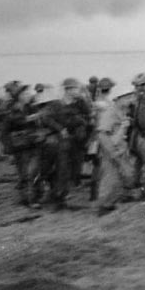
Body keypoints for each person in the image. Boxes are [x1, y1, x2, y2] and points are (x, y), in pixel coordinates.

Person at [41, 78, 91, 210]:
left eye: (77, 88)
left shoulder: (80, 103)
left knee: (74, 170)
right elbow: (45, 118)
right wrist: (60, 129)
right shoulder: (57, 104)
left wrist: (81, 123)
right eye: (74, 88)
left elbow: (88, 116)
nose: (77, 91)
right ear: (67, 90)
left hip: (77, 142)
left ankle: (61, 194)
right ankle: (58, 197)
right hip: (62, 142)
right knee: (61, 169)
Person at [1, 84, 44, 207]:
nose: (28, 95)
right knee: (25, 174)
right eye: (24, 93)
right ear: (18, 96)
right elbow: (5, 133)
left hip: (34, 144)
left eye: (28, 93)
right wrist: (9, 151)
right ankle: (29, 199)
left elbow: (38, 126)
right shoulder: (12, 112)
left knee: (34, 171)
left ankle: (34, 197)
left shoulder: (32, 108)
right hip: (20, 148)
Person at [96, 89, 136, 216]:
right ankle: (103, 206)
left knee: (119, 177)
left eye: (130, 97)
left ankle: (110, 203)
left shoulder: (121, 111)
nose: (130, 100)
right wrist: (112, 152)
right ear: (118, 99)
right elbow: (102, 134)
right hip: (111, 149)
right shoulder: (110, 113)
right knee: (110, 178)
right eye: (127, 97)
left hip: (119, 148)